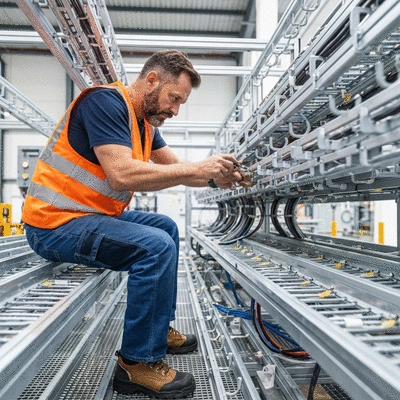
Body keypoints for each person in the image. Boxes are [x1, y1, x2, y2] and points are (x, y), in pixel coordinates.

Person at [21, 50, 247, 399]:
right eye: (174, 98)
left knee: (166, 228)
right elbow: (122, 174)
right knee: (156, 247)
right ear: (152, 81)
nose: (174, 110)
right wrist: (199, 169)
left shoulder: (143, 123)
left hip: (90, 216)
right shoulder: (105, 103)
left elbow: (179, 169)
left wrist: (220, 179)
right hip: (55, 224)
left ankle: (157, 330)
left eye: (180, 103)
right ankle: (136, 364)